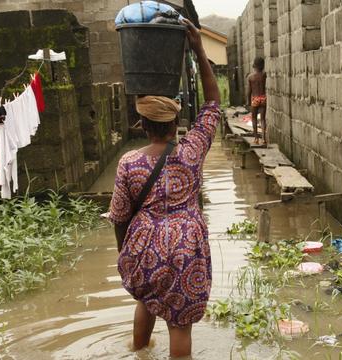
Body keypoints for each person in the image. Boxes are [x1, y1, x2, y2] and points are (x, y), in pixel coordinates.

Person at [108, 18, 221, 358]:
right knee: (179, 325)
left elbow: (118, 217)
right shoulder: (192, 150)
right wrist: (200, 50)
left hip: (145, 244)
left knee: (146, 299)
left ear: (142, 125)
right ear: (176, 123)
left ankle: (139, 352)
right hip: (187, 244)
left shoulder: (129, 162)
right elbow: (213, 104)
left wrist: (125, 251)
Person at [247, 57, 267, 145]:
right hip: (263, 98)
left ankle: (256, 139)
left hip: (255, 99)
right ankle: (263, 139)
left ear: (254, 65)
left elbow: (248, 92)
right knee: (262, 119)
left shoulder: (250, 77)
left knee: (254, 118)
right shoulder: (264, 75)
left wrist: (248, 102)